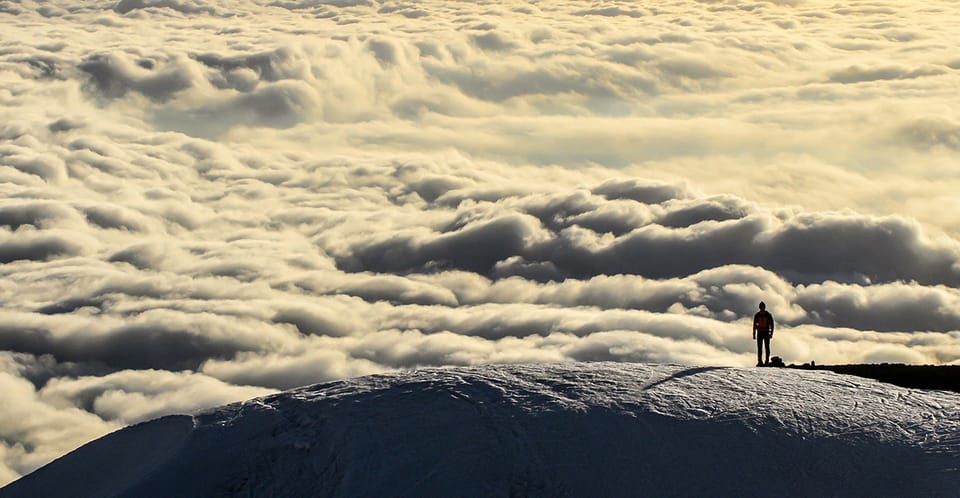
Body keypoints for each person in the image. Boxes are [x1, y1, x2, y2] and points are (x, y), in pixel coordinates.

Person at [753, 301, 775, 366]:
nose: (762, 308)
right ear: (759, 307)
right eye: (761, 307)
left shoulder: (768, 315)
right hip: (759, 332)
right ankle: (760, 361)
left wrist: (771, 333)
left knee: (767, 347)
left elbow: (772, 324)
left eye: (763, 307)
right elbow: (754, 325)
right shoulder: (757, 315)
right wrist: (754, 333)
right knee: (759, 348)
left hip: (766, 332)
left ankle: (766, 361)